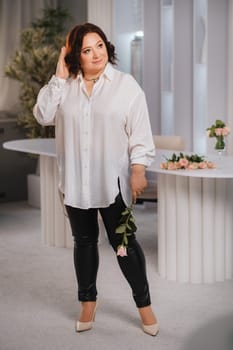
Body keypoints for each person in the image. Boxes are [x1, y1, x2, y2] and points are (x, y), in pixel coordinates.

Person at [33, 22, 159, 336]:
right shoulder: (65, 87)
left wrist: (139, 169)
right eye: (86, 50)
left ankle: (144, 304)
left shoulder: (125, 85)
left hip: (112, 183)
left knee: (125, 245)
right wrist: (59, 76)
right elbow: (43, 115)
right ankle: (88, 302)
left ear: (107, 46)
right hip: (76, 183)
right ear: (74, 55)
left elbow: (140, 132)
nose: (96, 54)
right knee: (84, 242)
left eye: (99, 45)